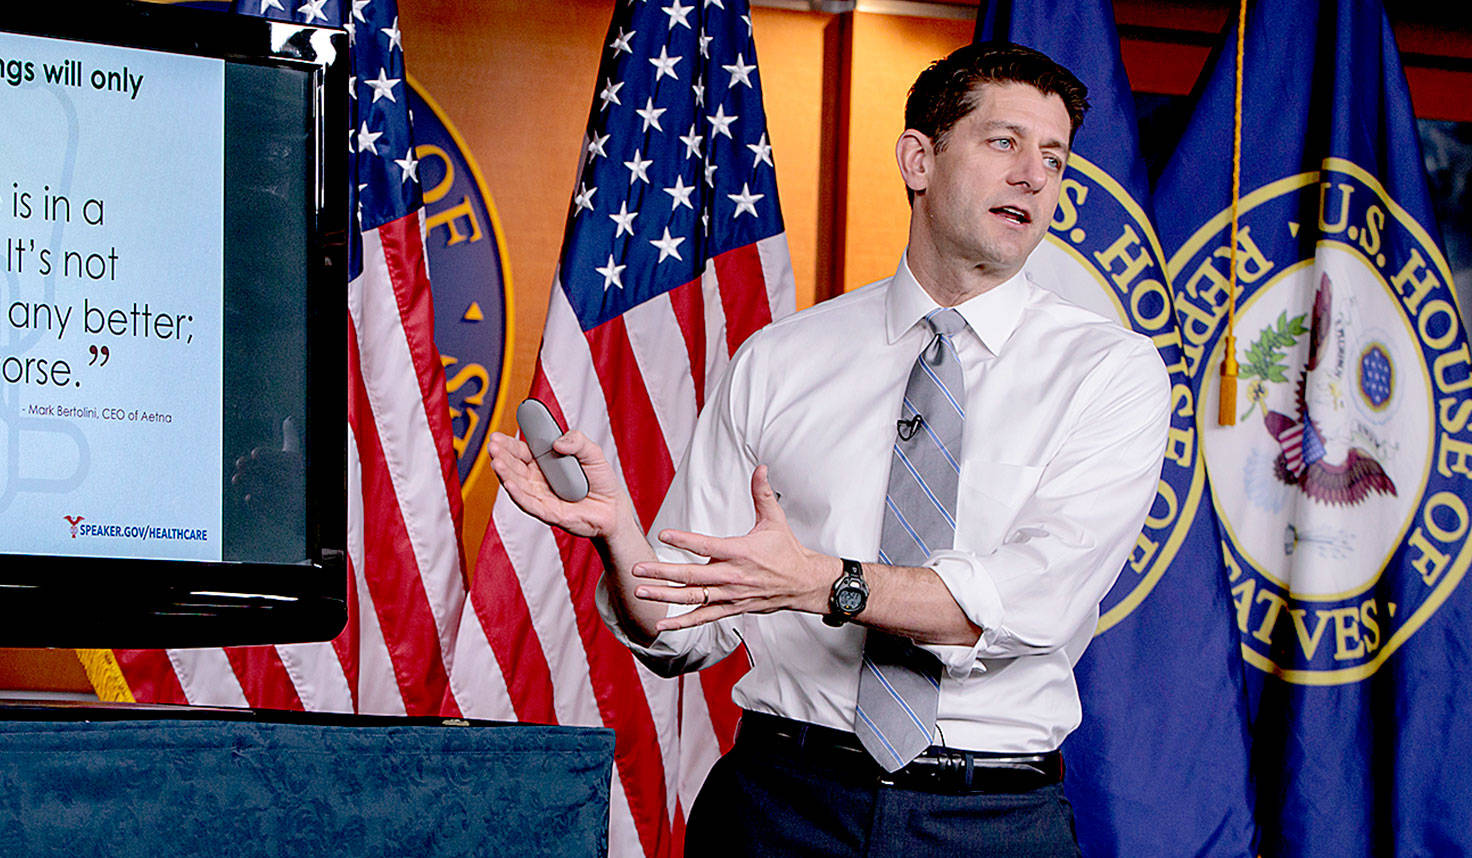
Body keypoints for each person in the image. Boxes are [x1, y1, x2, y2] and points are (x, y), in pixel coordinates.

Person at [489, 42, 1169, 856]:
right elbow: (682, 628)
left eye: (1053, 157)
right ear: (919, 158)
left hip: (987, 822)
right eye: (1004, 142)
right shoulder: (781, 360)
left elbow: (1030, 603)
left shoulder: (1111, 372)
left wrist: (823, 584)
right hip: (779, 807)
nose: (1034, 175)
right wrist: (617, 536)